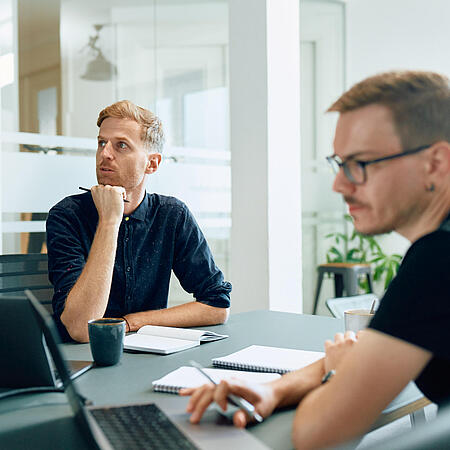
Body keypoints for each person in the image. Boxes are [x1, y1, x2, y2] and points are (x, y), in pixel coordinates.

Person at [180, 70, 450, 449]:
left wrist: (339, 372)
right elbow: (378, 352)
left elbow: (317, 435)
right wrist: (274, 389)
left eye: (360, 163)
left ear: (436, 163)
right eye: (338, 163)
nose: (339, 184)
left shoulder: (437, 259)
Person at [47, 100, 231, 343]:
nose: (105, 154)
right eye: (102, 143)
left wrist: (133, 322)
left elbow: (217, 306)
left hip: (147, 353)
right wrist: (109, 222)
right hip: (81, 360)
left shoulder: (172, 215)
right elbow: (81, 329)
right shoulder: (67, 215)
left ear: (152, 163)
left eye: (121, 145)